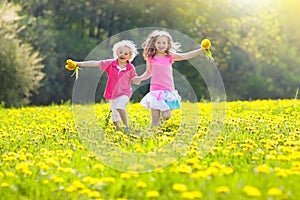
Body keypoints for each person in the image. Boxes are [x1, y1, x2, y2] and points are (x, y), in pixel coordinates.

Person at [136, 30, 205, 127]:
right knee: (155, 120)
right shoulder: (151, 58)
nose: (161, 45)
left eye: (164, 43)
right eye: (158, 42)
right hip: (155, 91)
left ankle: (162, 124)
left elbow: (185, 56)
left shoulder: (170, 56)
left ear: (168, 44)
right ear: (154, 44)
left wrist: (201, 50)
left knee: (166, 116)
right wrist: (140, 78)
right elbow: (148, 72)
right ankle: (154, 136)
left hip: (168, 90)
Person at [72, 40, 139, 131]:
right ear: (116, 53)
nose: (122, 55)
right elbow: (96, 63)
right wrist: (79, 64)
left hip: (125, 92)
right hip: (112, 94)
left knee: (120, 106)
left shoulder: (130, 68)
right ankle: (118, 130)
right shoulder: (111, 64)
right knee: (115, 117)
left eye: (126, 53)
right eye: (120, 52)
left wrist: (136, 80)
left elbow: (134, 78)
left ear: (130, 56)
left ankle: (127, 127)